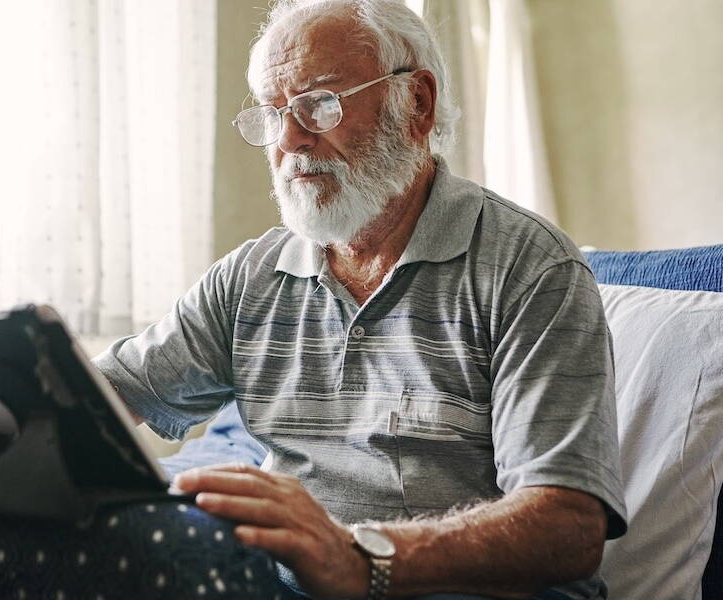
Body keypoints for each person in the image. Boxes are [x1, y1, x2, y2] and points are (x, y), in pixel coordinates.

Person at [93, 1, 626, 598]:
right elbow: (100, 402)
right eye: (273, 113)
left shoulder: (529, 268)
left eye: (319, 104)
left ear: (415, 105)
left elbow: (569, 525)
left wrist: (361, 558)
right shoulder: (252, 275)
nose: (289, 140)